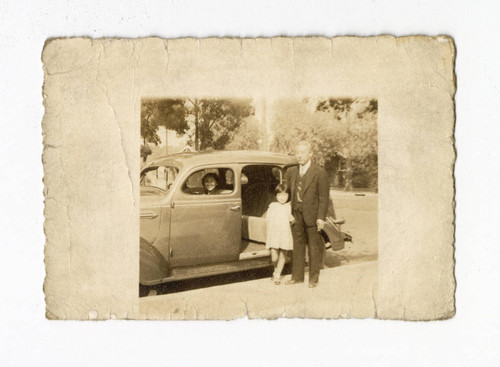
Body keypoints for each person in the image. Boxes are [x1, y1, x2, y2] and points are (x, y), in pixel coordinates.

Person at [285, 141, 330, 288]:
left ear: (310, 154)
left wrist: (320, 218)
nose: (299, 155)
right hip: (296, 214)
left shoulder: (320, 172)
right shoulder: (291, 172)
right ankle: (297, 277)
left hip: (312, 216)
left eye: (303, 152)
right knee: (297, 246)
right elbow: (286, 195)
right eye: (297, 152)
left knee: (313, 248)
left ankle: (313, 279)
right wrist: (288, 212)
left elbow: (324, 198)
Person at [265, 184, 295, 285]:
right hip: (274, 234)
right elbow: (268, 219)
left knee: (283, 255)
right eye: (279, 195)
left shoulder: (289, 206)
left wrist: (292, 219)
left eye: (285, 195)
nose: (282, 197)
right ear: (276, 195)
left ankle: (277, 275)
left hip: (285, 234)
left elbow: (292, 220)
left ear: (288, 196)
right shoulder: (273, 206)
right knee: (274, 257)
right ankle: (275, 269)